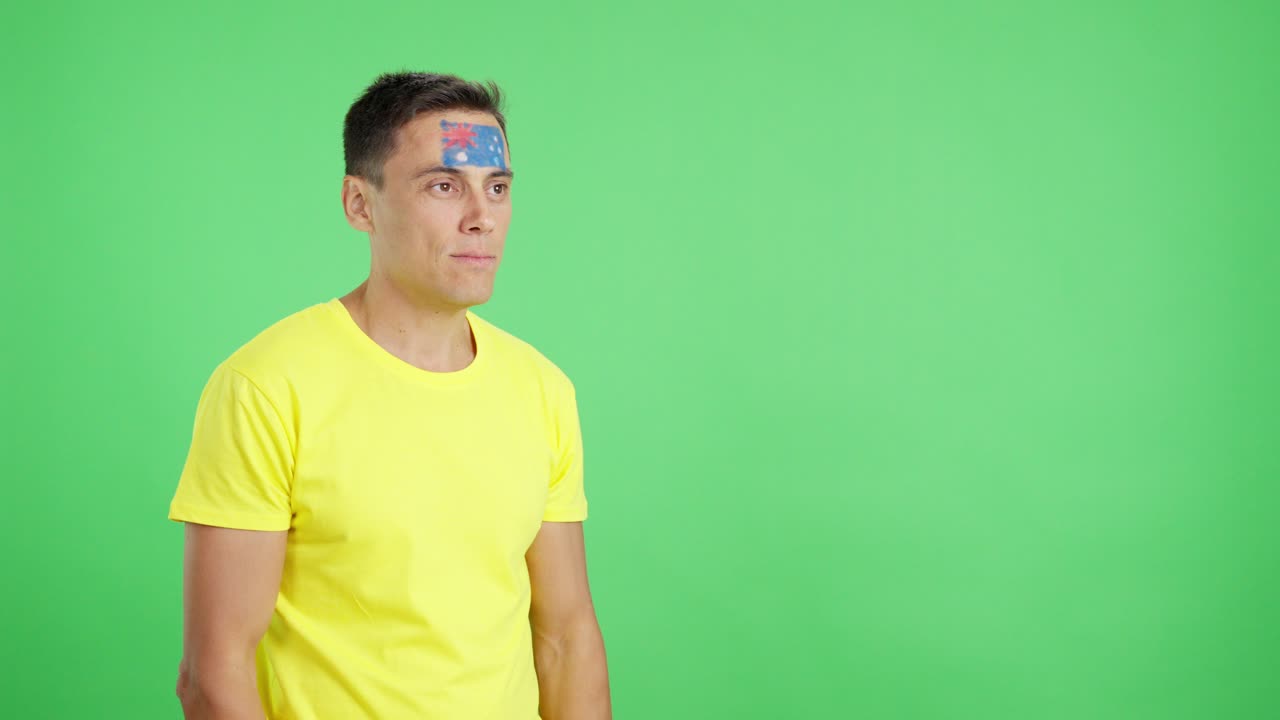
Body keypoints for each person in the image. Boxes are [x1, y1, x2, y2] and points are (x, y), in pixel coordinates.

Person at [168, 71, 612, 719]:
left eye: (498, 188)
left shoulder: (541, 388)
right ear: (359, 204)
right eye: (443, 186)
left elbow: (566, 638)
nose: (481, 217)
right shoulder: (265, 387)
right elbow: (215, 671)